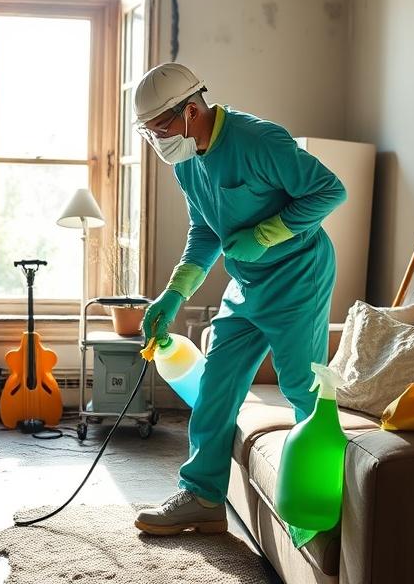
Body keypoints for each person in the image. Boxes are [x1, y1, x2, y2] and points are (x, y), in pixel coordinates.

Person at [131, 62, 346, 535]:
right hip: (246, 282)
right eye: (147, 132)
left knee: (299, 386)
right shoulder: (185, 158)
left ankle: (320, 500)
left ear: (190, 111)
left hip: (297, 276)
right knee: (216, 385)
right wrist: (174, 294)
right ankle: (203, 496)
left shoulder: (260, 141)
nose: (155, 139)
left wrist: (269, 233)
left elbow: (330, 190)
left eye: (158, 127)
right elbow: (204, 231)